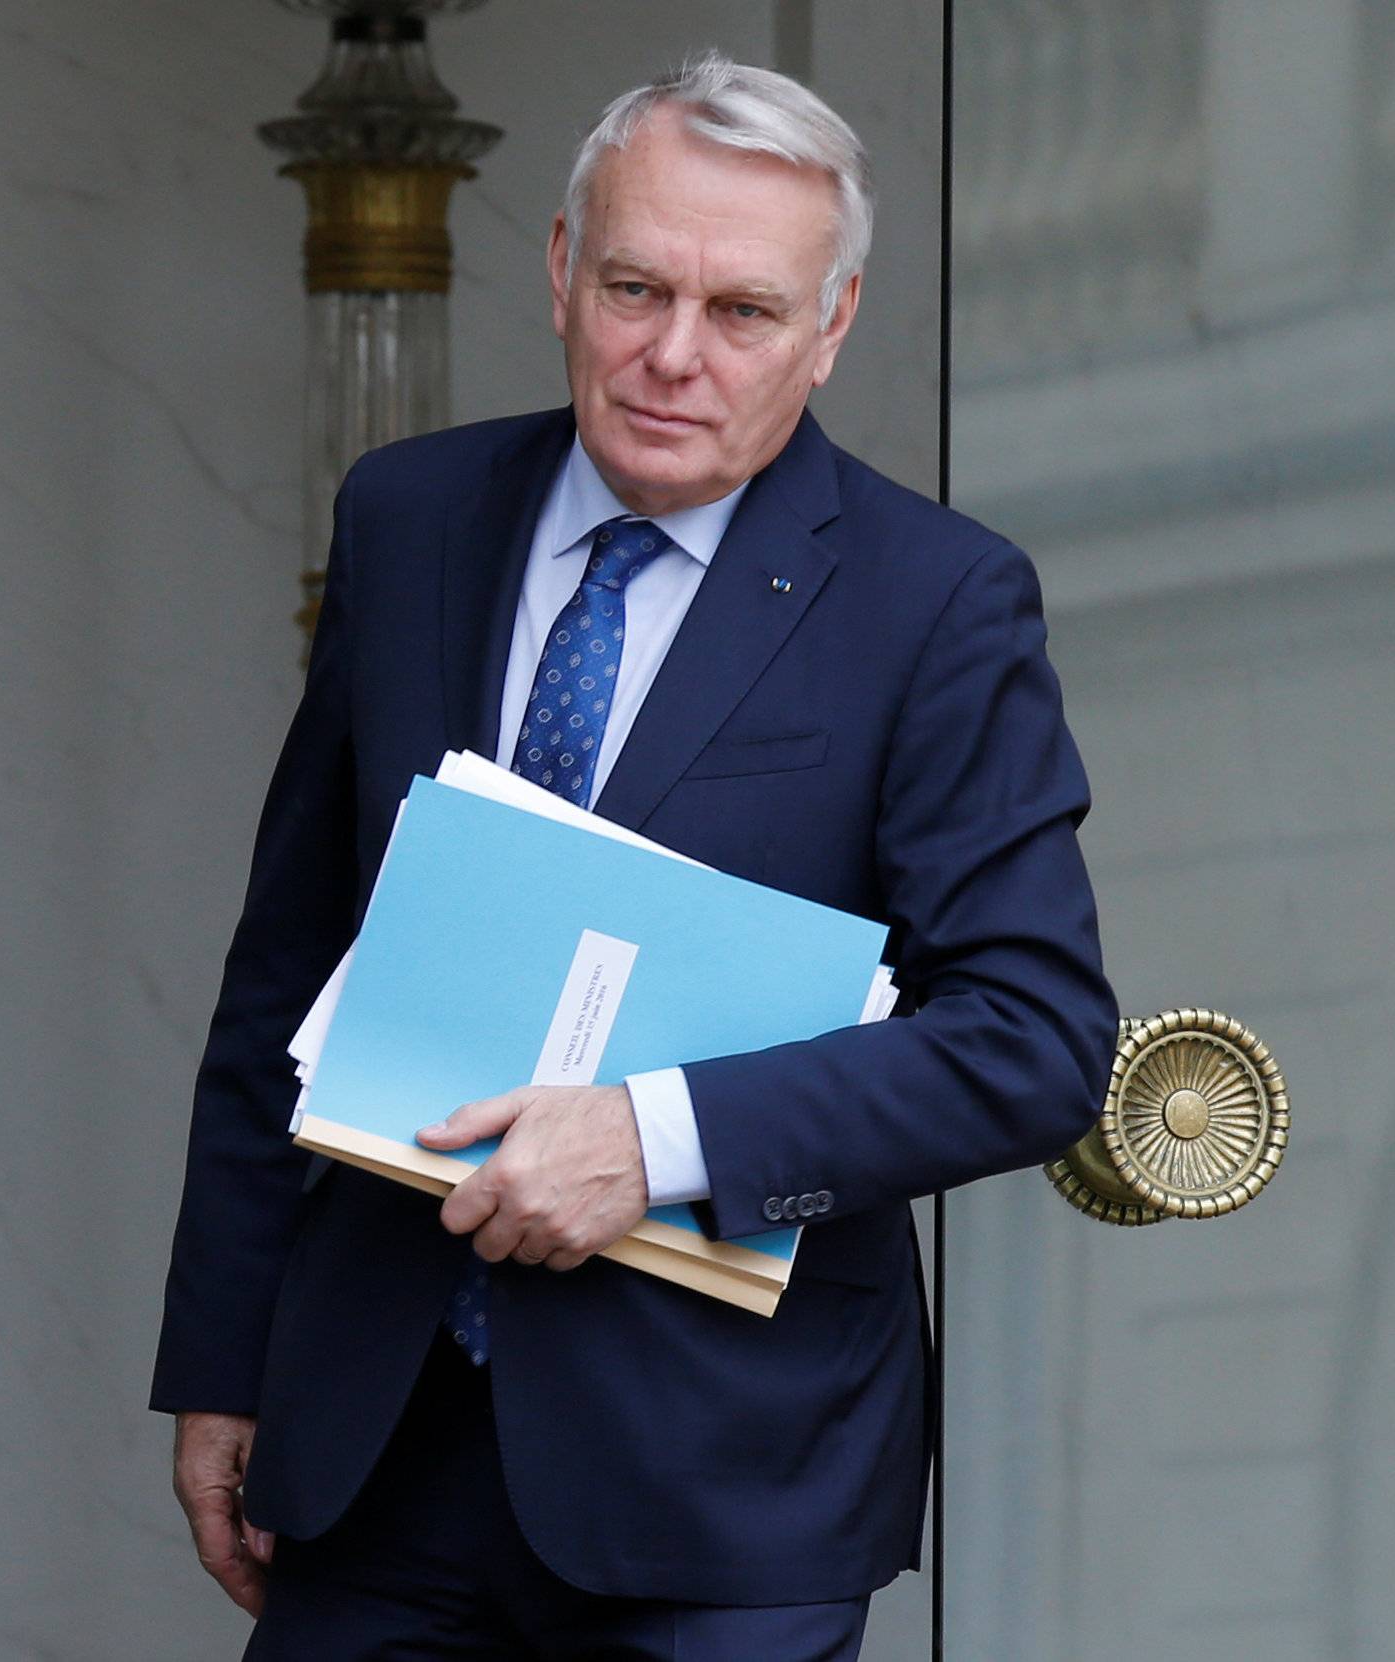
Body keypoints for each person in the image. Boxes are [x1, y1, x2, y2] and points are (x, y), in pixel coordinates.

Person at [151, 52, 1117, 1662]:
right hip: (374, 1446)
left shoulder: (936, 601)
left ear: (834, 326)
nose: (674, 355)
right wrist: (224, 1359)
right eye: (633, 287)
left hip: (725, 1494)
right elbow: (290, 967)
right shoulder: (409, 516)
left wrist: (654, 1138)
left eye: (742, 312)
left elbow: (1031, 1039)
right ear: (556, 271)